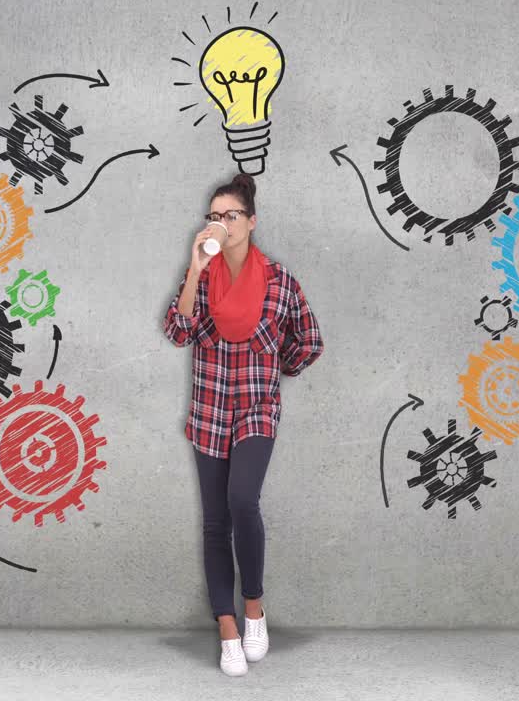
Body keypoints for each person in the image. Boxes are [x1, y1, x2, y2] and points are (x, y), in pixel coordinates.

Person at [162, 173, 324, 676]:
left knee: (241, 500)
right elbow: (177, 330)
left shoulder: (279, 281)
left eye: (230, 215)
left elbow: (310, 340)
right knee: (215, 522)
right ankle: (228, 629)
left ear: (250, 223)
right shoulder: (202, 279)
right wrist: (194, 268)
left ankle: (254, 606)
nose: (220, 223)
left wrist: (278, 368)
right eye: (213, 215)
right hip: (210, 408)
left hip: (256, 409)